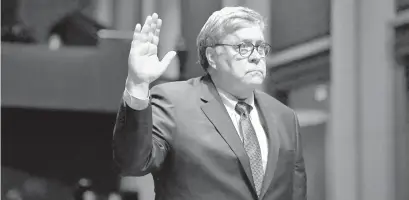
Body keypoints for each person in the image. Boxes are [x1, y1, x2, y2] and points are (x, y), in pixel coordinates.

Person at [113, 6, 306, 200]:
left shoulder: (285, 116)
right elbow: (133, 163)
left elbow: (296, 192)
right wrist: (137, 84)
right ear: (212, 57)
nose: (256, 56)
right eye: (243, 47)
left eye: (261, 47)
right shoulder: (174, 102)